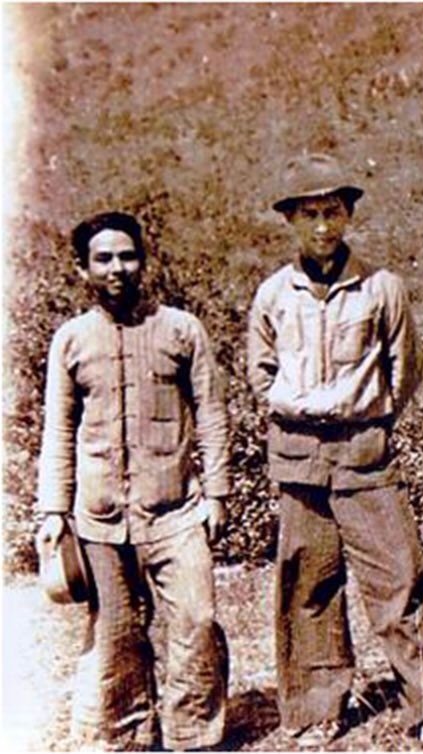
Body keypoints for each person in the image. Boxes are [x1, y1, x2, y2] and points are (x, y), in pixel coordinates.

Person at [247, 153, 423, 749]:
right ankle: (318, 710)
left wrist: (366, 414)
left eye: (332, 212)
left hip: (365, 453)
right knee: (309, 584)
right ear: (290, 219)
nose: (322, 226)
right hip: (298, 456)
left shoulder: (382, 288)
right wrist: (304, 408)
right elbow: (261, 373)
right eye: (309, 214)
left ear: (348, 216)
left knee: (398, 579)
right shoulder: (273, 295)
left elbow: (404, 370)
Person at [35, 211, 230, 750]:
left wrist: (217, 493)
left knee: (196, 620)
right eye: (103, 259)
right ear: (83, 269)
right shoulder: (71, 340)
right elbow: (59, 428)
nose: (116, 268)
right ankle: (130, 737)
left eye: (127, 256)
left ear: (143, 261)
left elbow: (212, 413)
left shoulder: (182, 330)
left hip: (176, 511)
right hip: (100, 518)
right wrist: (53, 510)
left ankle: (193, 736)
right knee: (116, 633)